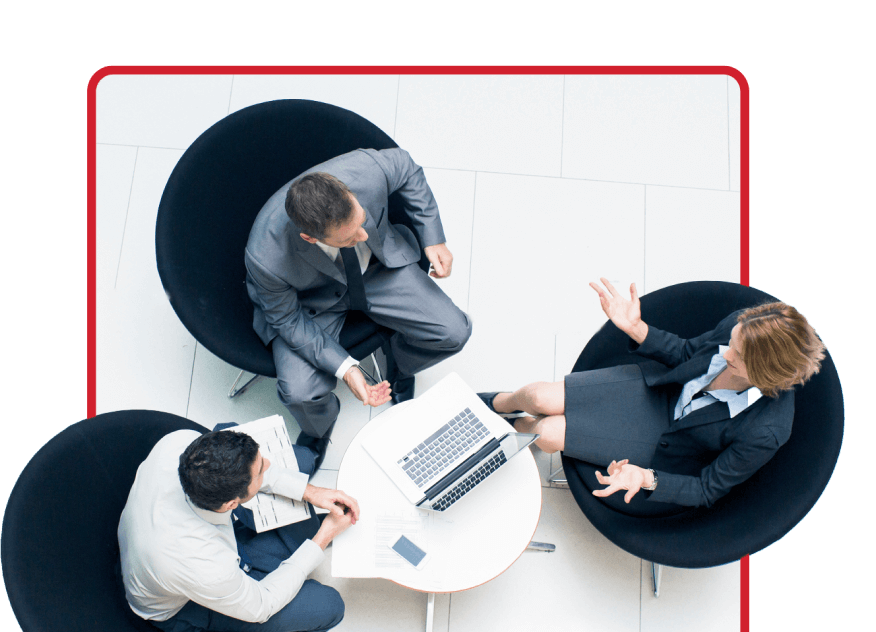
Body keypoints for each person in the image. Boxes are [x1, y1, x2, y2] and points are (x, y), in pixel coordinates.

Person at [479, 278, 826, 513]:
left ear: (763, 376)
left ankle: (503, 434)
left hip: (668, 443)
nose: (725, 353)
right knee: (539, 396)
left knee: (546, 432)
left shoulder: (766, 430)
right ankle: (493, 405)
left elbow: (707, 489)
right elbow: (690, 352)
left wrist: (646, 478)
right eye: (731, 341)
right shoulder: (742, 328)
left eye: (735, 357)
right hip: (657, 392)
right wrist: (634, 327)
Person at [245, 147, 473, 470]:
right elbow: (286, 319)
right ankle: (319, 428)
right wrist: (347, 369)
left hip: (378, 270)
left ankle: (400, 360)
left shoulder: (367, 170)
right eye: (351, 237)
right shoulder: (265, 256)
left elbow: (408, 169)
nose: (364, 234)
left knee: (455, 331)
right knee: (298, 393)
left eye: (361, 221)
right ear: (310, 238)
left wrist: (433, 237)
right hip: (313, 300)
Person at [118, 426, 359, 632]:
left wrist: (309, 491)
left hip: (171, 554)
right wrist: (323, 537)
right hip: (181, 605)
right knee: (327, 607)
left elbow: (247, 468)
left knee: (301, 462)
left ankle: (273, 553)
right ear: (230, 504)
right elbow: (262, 605)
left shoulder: (181, 443)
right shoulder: (205, 566)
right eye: (261, 472)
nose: (267, 463)